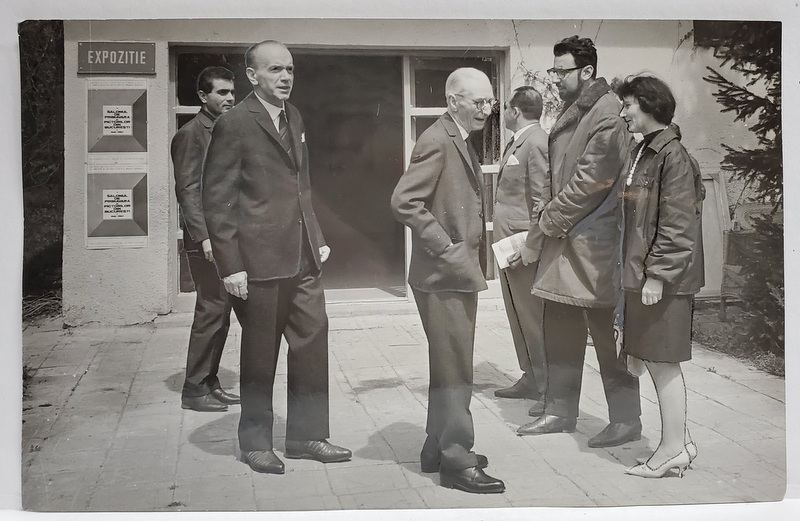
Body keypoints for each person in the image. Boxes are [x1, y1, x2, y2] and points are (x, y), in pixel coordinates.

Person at [202, 40, 351, 474]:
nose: (285, 77)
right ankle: (255, 441)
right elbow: (217, 200)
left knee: (312, 344)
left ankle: (307, 436)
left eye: (289, 69)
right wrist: (230, 265)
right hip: (258, 260)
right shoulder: (233, 123)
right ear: (252, 75)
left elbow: (301, 183)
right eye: (274, 70)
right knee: (260, 354)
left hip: (302, 256)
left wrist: (316, 234)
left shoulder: (295, 116)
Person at [515, 36, 642, 448]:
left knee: (607, 333)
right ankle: (559, 411)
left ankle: (626, 421)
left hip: (594, 242)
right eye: (553, 71)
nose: (554, 79)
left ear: (587, 71)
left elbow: (591, 181)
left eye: (561, 71)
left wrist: (546, 223)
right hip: (571, 238)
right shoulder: (579, 108)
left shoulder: (606, 113)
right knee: (561, 327)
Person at [391, 67, 505, 494]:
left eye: (490, 101)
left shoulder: (455, 135)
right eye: (479, 102)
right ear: (454, 100)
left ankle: (435, 448)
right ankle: (457, 459)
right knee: (456, 365)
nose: (487, 109)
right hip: (444, 274)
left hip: (449, 273)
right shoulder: (438, 139)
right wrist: (446, 245)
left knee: (447, 363)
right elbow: (404, 202)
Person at [615, 75, 705, 478]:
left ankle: (670, 450)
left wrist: (658, 276)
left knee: (662, 362)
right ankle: (679, 442)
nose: (624, 113)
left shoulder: (673, 157)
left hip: (664, 281)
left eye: (630, 105)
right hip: (644, 275)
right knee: (653, 359)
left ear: (649, 105)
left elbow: (677, 226)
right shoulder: (645, 152)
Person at [171, 66, 241, 413]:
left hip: (226, 237)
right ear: (202, 96)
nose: (229, 99)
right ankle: (193, 389)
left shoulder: (225, 130)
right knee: (211, 308)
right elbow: (187, 190)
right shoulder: (191, 134)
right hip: (207, 241)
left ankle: (210, 382)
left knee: (222, 311)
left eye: (231, 92)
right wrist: (203, 237)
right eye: (221, 93)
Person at [493, 86, 549, 417]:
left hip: (523, 246)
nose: (503, 115)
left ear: (516, 111)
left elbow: (542, 199)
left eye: (506, 109)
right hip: (507, 243)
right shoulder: (519, 142)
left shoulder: (537, 143)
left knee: (533, 317)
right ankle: (530, 376)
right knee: (517, 314)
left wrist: (532, 244)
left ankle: (548, 387)